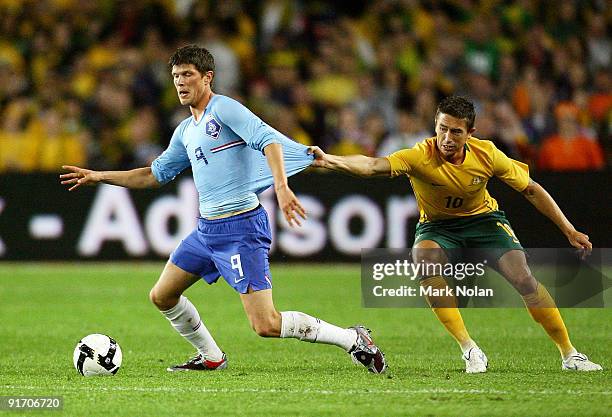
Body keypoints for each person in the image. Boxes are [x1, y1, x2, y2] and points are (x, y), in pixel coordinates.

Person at [60, 45, 386, 374]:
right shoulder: (185, 131)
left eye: (187, 74)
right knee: (162, 295)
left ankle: (352, 339)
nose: (180, 83)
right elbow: (152, 174)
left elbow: (268, 141)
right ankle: (212, 357)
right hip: (207, 231)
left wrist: (282, 187)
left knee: (266, 324)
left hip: (241, 229)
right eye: (175, 76)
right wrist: (100, 175)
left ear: (207, 77)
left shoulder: (225, 109)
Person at [309, 95, 602, 373]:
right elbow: (373, 165)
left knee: (523, 277)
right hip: (438, 226)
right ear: (435, 126)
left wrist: (568, 228)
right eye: (442, 129)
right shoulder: (420, 155)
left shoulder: (487, 154)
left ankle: (569, 354)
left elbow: (531, 189)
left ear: (470, 133)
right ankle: (470, 349)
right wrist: (332, 160)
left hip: (484, 221)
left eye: (456, 132)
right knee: (424, 260)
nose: (447, 139)